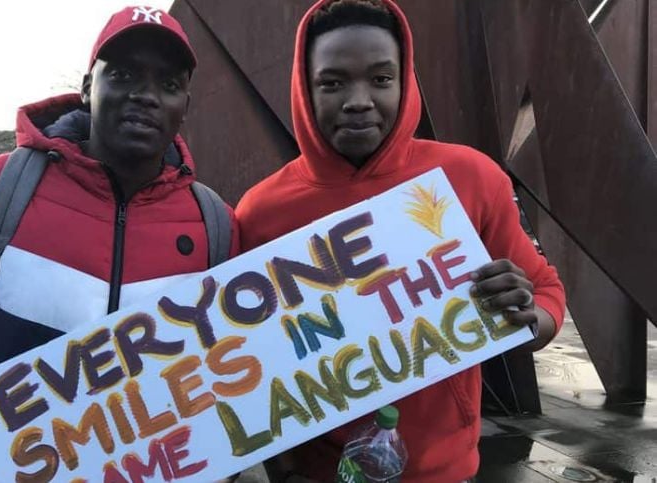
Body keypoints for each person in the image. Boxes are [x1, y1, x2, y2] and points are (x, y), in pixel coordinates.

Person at [0, 6, 238, 483]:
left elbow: (231, 374)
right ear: (88, 88)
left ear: (185, 105)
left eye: (168, 84)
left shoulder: (217, 226)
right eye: (124, 75)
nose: (146, 96)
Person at [235, 1, 566, 482]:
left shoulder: (470, 178)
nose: (358, 100)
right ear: (304, 89)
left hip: (448, 473)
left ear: (405, 80)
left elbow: (548, 293)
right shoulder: (260, 213)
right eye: (333, 82)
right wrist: (284, 471)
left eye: (381, 79)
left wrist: (524, 317)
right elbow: (248, 363)